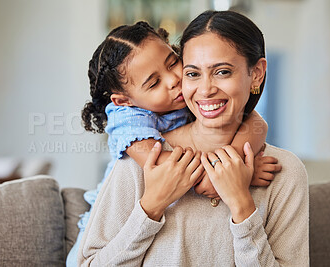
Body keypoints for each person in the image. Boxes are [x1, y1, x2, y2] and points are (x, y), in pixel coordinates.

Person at [77, 10, 308, 266]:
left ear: (256, 73)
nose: (205, 89)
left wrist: (242, 205)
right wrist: (151, 208)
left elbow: (255, 122)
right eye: (193, 73)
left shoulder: (284, 172)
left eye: (222, 72)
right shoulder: (142, 157)